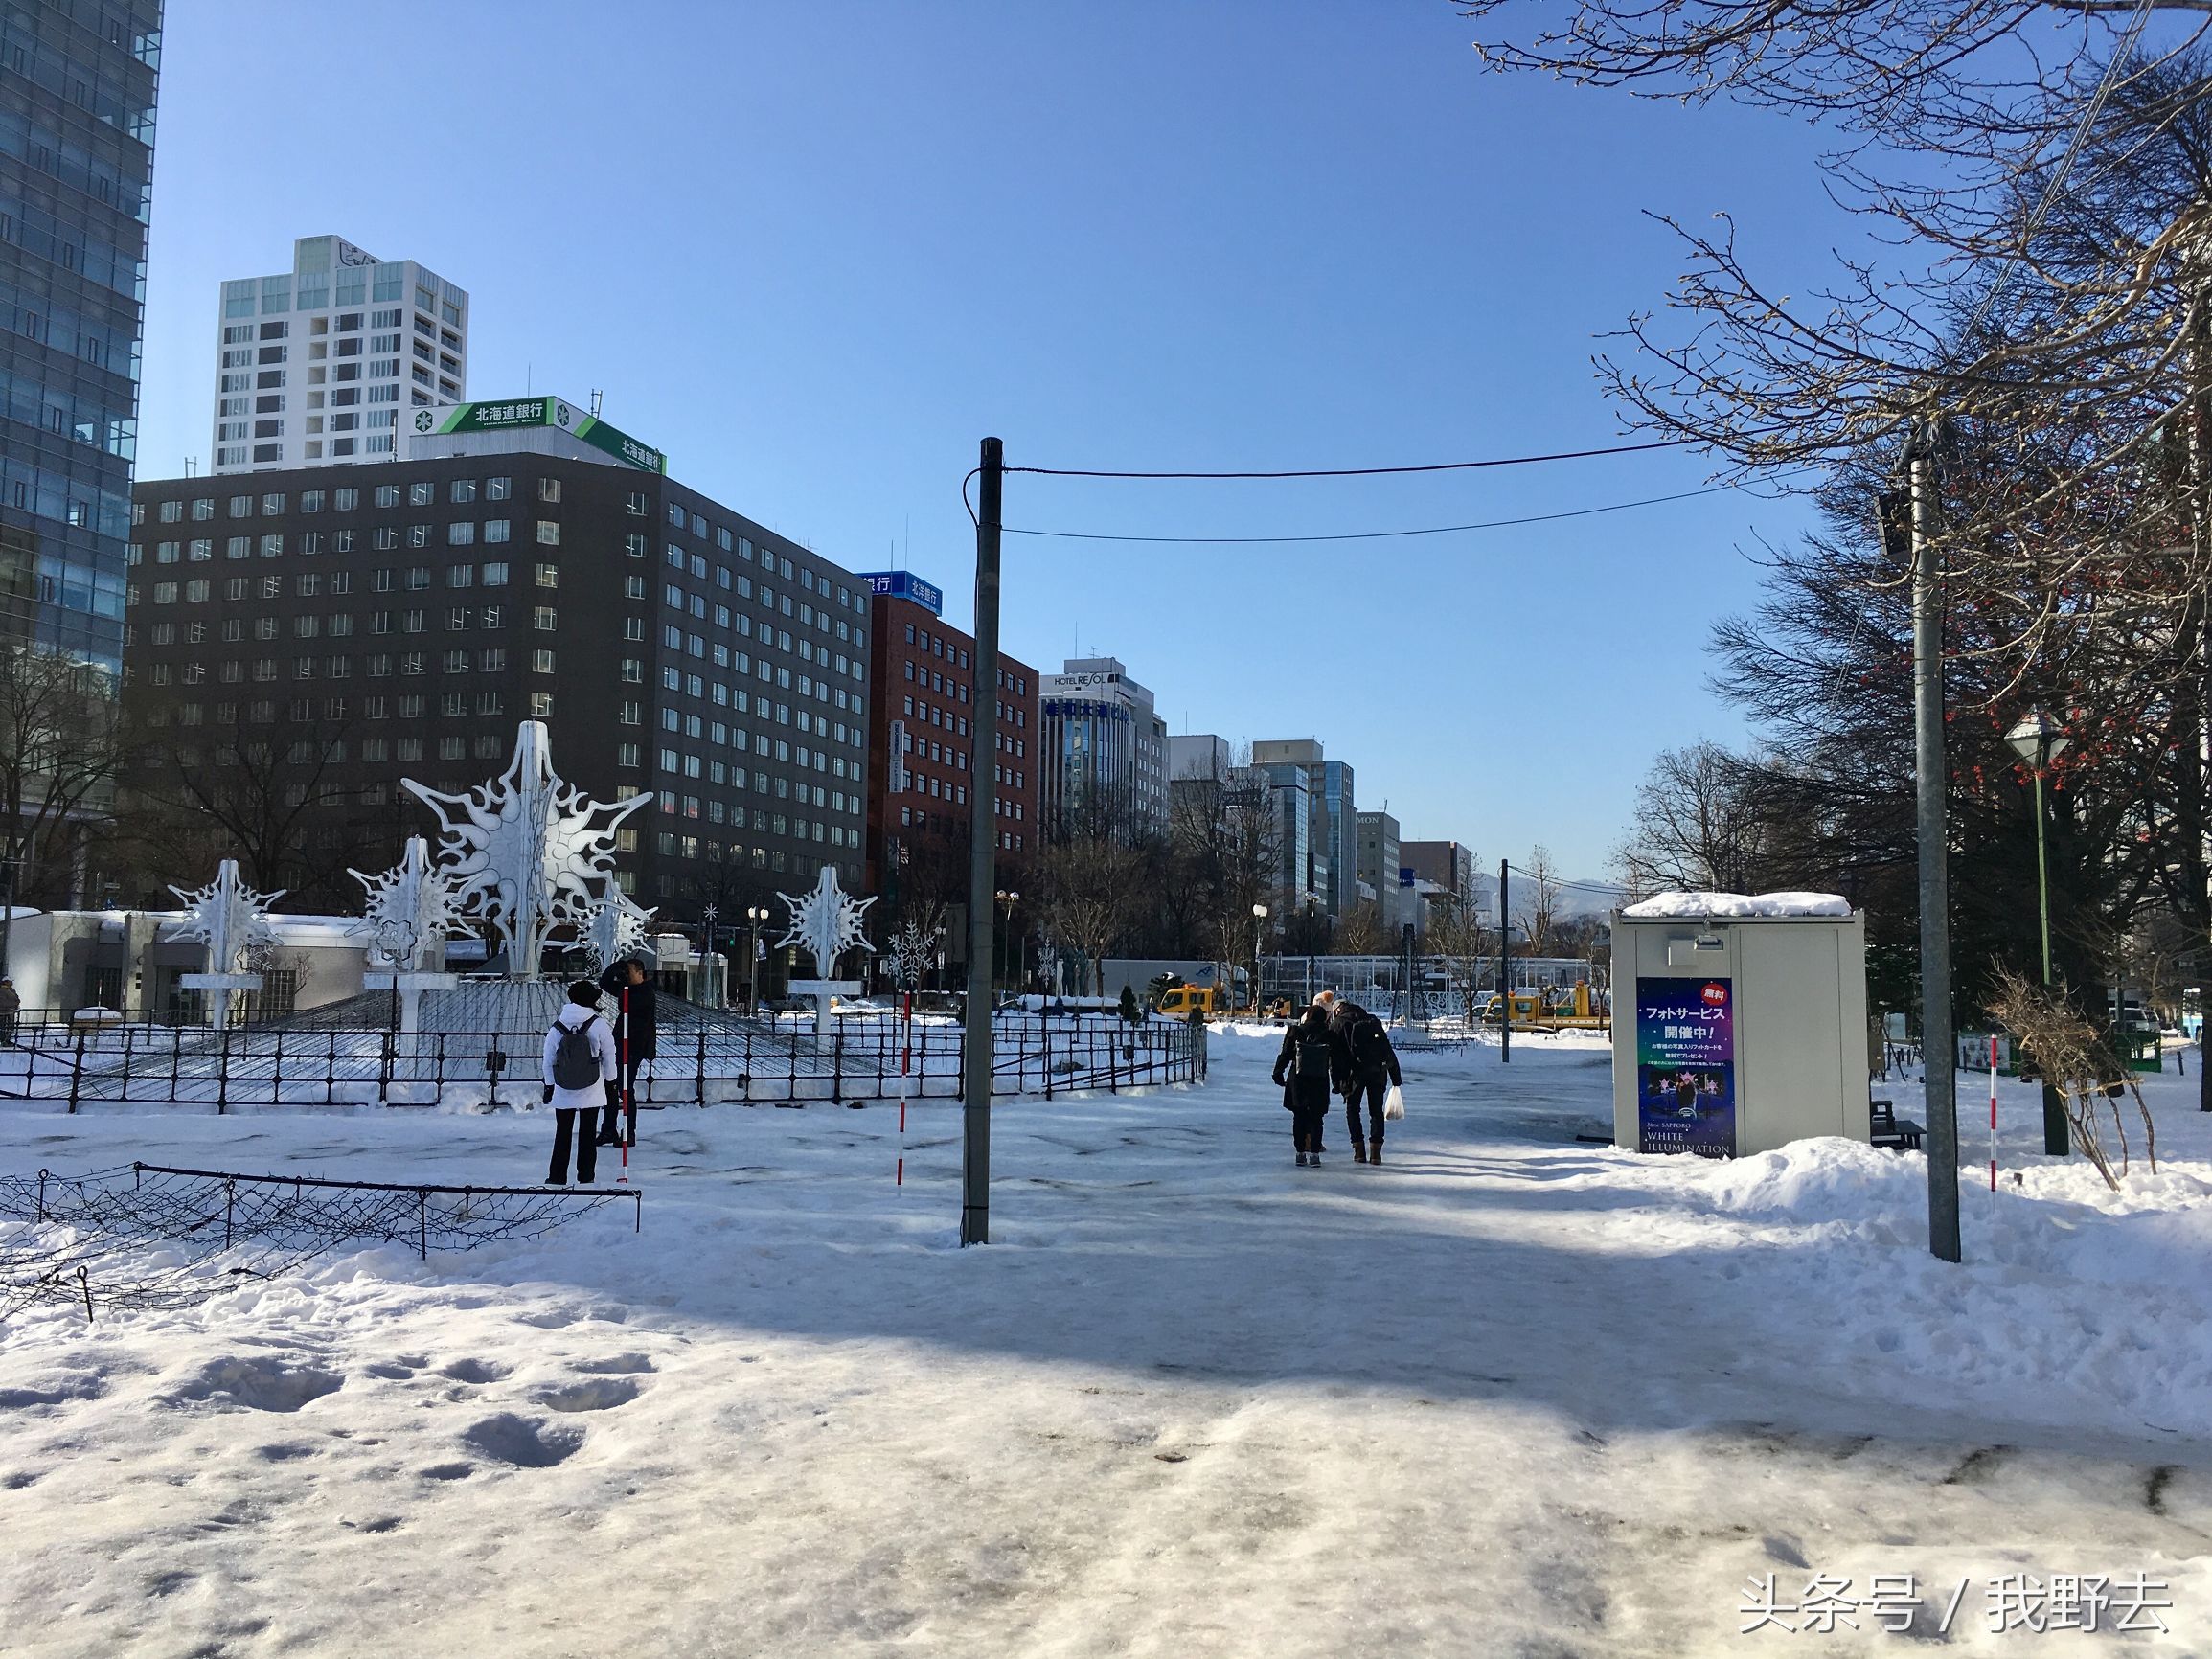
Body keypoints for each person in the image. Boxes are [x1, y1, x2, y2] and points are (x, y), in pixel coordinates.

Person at [542, 980, 619, 1185]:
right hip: (591, 1086)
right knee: (587, 1135)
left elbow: (548, 1059)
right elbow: (610, 1055)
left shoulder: (557, 1026)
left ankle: (557, 1177)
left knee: (563, 1133)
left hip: (564, 1086)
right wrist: (611, 1082)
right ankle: (586, 1177)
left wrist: (549, 1085)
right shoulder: (598, 1024)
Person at [597, 955, 658, 1147]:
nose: (626, 976)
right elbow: (604, 983)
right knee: (612, 1086)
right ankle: (609, 1129)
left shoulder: (645, 992)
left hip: (635, 1046)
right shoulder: (627, 988)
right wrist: (616, 968)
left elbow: (629, 1005)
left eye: (629, 971)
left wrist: (624, 985)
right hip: (620, 1042)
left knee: (625, 1089)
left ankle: (628, 1132)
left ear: (640, 973)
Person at [1334, 1001, 1402, 1165]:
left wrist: (1336, 1081)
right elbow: (1387, 1049)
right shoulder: (1372, 1021)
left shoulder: (1338, 1024)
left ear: (1338, 1010)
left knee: (1352, 1110)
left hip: (1353, 1074)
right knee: (1376, 1111)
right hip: (1377, 1072)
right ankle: (1376, 1153)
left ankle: (1358, 1151)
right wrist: (1396, 1078)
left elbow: (1334, 1055)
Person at [1272, 1005, 1336, 1167]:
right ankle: (1315, 1154)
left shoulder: (1296, 1031)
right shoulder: (1329, 1034)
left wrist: (1278, 1072)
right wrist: (1338, 1080)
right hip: (1320, 1080)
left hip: (1298, 1079)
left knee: (1299, 1116)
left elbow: (1285, 1053)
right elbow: (1336, 1060)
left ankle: (1300, 1152)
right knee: (1317, 1118)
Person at [0, 977, 20, 1045]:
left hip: (11, 1011)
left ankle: (7, 1040)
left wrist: (17, 1002)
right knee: (3, 1027)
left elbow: (16, 998)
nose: (12, 982)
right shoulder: (2, 991)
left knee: (10, 1027)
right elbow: (3, 1002)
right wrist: (14, 1003)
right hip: (3, 1012)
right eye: (10, 981)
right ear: (6, 982)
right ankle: (3, 1041)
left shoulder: (12, 990)